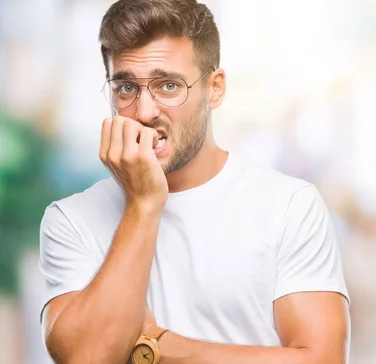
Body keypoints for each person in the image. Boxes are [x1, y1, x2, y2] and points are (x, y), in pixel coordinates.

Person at [38, 0, 350, 363]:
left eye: (168, 85)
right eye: (126, 88)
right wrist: (143, 205)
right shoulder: (70, 220)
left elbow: (323, 360)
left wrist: (156, 346)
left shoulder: (289, 205)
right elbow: (85, 358)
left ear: (215, 89)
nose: (143, 112)